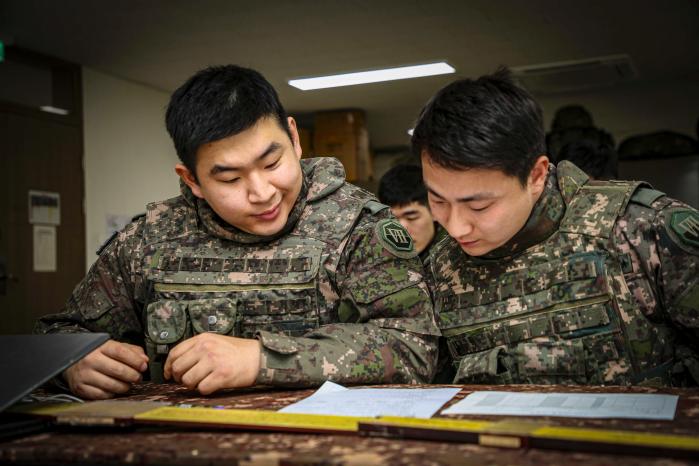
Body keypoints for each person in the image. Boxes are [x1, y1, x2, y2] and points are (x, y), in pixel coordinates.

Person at [36, 65, 439, 400]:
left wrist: (263, 359)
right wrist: (72, 362)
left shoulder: (358, 227)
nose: (262, 193)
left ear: (295, 138)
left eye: (271, 162)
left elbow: (415, 348)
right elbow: (58, 333)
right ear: (192, 179)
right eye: (229, 178)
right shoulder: (148, 242)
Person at [411, 68, 699, 386]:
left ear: (536, 176)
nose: (456, 227)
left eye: (479, 206)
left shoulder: (642, 232)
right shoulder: (439, 268)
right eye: (437, 201)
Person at [377, 164, 444, 261]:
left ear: (434, 211)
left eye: (411, 217)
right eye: (392, 219)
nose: (401, 230)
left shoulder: (459, 255)